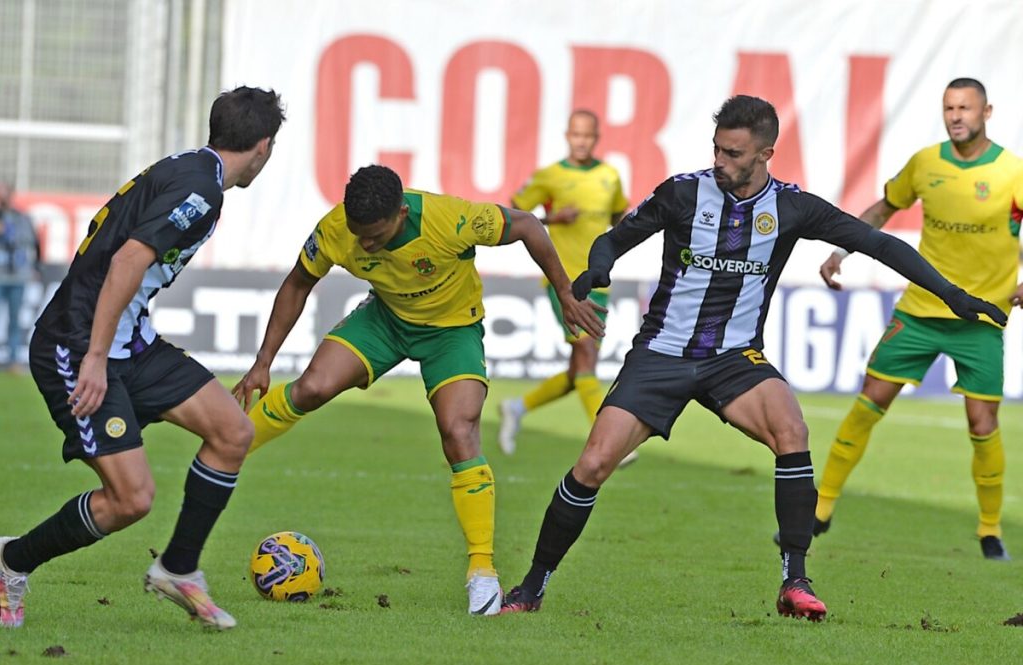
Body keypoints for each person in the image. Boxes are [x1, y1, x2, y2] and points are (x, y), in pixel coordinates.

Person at [497, 95, 1006, 621]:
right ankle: (531, 586)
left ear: (766, 153)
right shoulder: (682, 192)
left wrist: (951, 294)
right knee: (594, 463)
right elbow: (612, 239)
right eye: (717, 149)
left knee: (793, 431)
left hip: (734, 359)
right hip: (662, 354)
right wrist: (598, 269)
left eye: (734, 153)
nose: (720, 161)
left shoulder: (791, 206)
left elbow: (877, 244)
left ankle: (795, 581)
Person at [231, 164, 604, 616]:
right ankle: (226, 450)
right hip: (386, 320)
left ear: (402, 213)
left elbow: (526, 224)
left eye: (375, 234)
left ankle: (482, 573)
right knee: (311, 388)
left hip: (452, 330)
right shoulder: (336, 230)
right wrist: (262, 362)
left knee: (459, 431)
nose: (364, 244)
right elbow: (297, 283)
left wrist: (565, 292)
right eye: (358, 233)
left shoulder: (451, 220)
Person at [0, 86, 285, 630]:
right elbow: (130, 256)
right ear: (264, 147)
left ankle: (179, 569)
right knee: (131, 499)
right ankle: (10, 562)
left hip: (130, 343)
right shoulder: (202, 190)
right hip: (78, 345)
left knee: (232, 431)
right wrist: (95, 357)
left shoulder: (187, 168)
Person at [812, 78, 1023, 561]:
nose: (956, 116)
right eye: (949, 107)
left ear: (987, 111)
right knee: (870, 400)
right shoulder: (926, 163)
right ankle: (820, 510)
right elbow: (884, 208)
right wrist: (842, 248)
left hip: (982, 318)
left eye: (965, 107)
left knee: (982, 422)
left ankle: (990, 531)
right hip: (921, 311)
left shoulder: (1013, 171)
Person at [498, 111, 632, 463]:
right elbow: (515, 212)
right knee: (587, 357)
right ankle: (609, 440)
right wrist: (552, 218)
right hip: (564, 281)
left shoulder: (610, 176)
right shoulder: (550, 176)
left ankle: (517, 407)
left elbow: (620, 216)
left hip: (598, 280)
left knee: (580, 369)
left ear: (597, 137)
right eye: (576, 134)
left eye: (588, 135)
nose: (582, 141)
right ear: (567, 135)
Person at [0, 180, 41, 371]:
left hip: (17, 276)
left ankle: (14, 359)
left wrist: (36, 268)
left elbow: (32, 242)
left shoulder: (22, 218)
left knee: (15, 319)